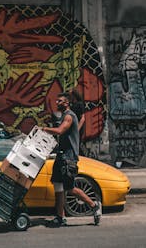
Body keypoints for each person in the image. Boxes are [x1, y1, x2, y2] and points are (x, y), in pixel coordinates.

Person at [42, 92, 101, 227]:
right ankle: (59, 217)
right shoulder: (64, 116)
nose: (57, 103)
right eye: (57, 101)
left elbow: (60, 131)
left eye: (60, 101)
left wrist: (44, 129)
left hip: (68, 158)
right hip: (61, 156)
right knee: (58, 186)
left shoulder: (68, 116)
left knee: (69, 187)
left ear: (67, 103)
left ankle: (94, 205)